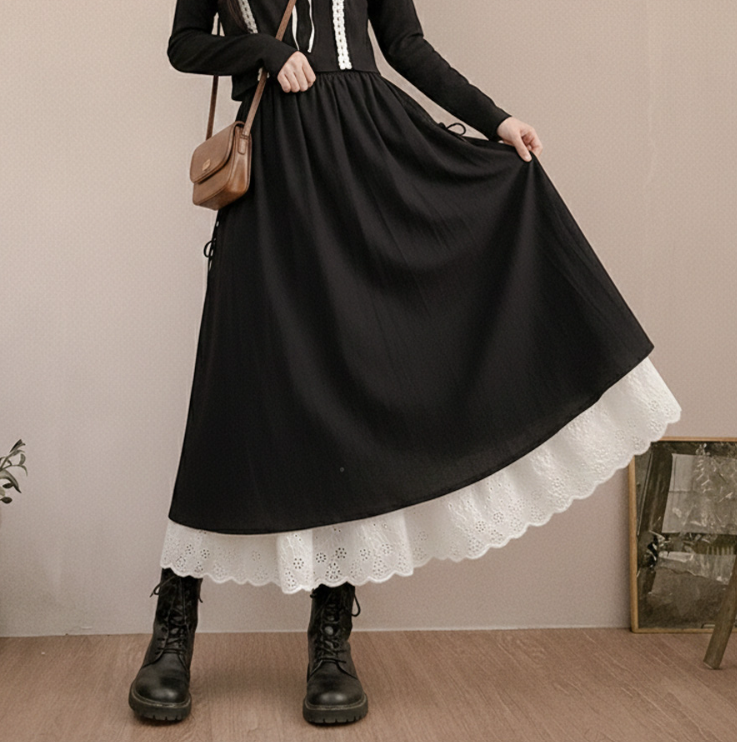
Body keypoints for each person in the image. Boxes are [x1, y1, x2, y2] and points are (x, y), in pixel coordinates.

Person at [128, 0, 682, 727]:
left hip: (370, 160)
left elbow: (406, 46)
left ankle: (331, 638)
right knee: (232, 390)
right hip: (276, 178)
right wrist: (263, 52)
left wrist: (495, 120)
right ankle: (174, 628)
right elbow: (185, 44)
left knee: (351, 384)